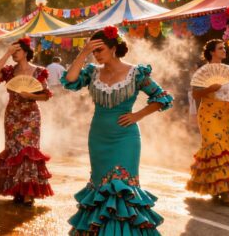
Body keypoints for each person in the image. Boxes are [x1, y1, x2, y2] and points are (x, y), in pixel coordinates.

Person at [61, 26, 173, 235]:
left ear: (113, 48)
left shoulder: (136, 73)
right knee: (100, 187)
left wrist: (137, 115)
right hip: (98, 137)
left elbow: (162, 97)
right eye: (93, 51)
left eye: (99, 50)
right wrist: (84, 53)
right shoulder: (91, 72)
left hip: (126, 138)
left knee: (122, 188)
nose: (96, 54)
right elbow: (69, 80)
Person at [0, 38, 53, 205]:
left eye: (17, 51)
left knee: (28, 151)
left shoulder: (39, 72)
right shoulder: (9, 71)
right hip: (12, 116)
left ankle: (28, 193)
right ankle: (17, 188)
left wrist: (30, 96)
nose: (14, 54)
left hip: (31, 116)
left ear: (25, 52)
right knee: (14, 150)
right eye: (13, 51)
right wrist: (7, 53)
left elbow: (46, 96)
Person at [186, 39, 229, 204]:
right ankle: (222, 192)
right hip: (208, 113)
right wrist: (209, 89)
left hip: (226, 112)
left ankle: (220, 188)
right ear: (212, 52)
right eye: (221, 48)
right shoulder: (203, 71)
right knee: (216, 148)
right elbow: (195, 95)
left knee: (226, 149)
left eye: (224, 48)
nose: (224, 50)